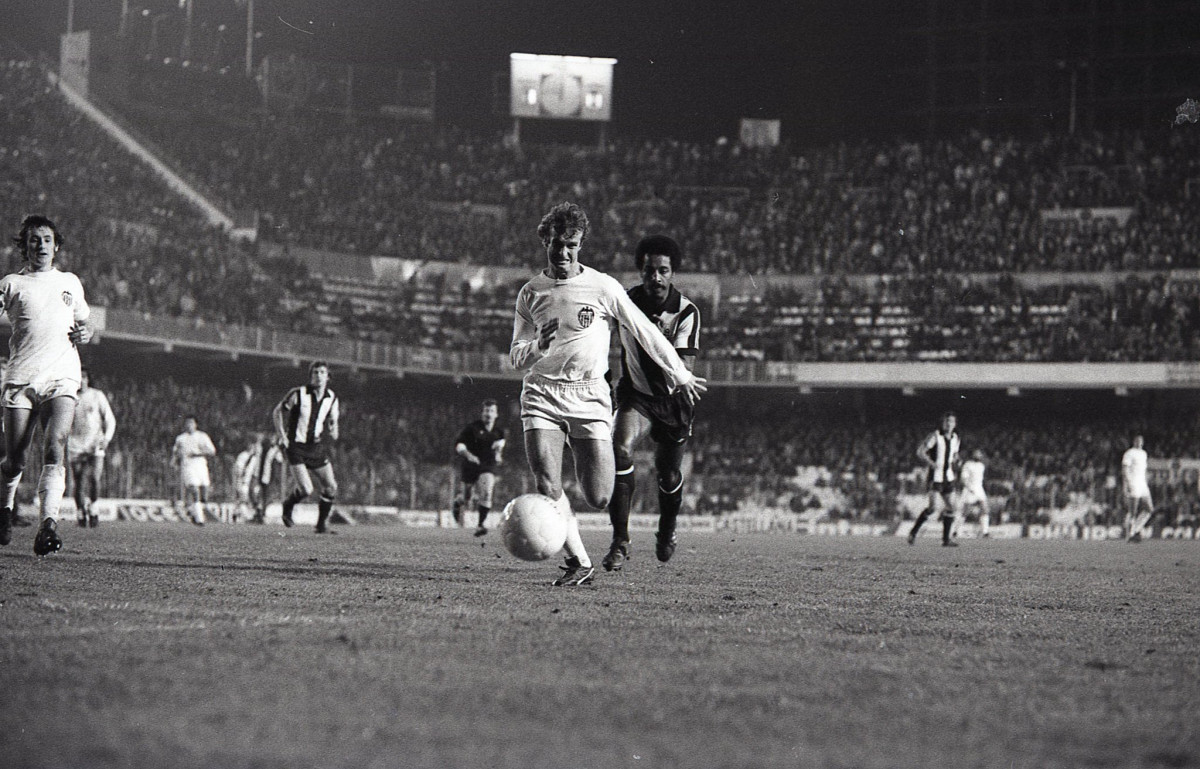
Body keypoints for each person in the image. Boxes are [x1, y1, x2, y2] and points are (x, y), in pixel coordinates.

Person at [510, 202, 706, 586]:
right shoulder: (530, 293)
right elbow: (516, 357)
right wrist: (537, 347)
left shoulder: (603, 286)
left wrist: (680, 372)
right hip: (543, 393)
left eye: (572, 245)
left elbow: (647, 333)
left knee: (599, 496)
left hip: (589, 396)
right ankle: (579, 561)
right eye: (557, 244)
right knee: (547, 482)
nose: (564, 252)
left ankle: (617, 530)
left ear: (581, 244)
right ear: (545, 242)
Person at [603, 234, 701, 571]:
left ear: (673, 273)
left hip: (673, 401)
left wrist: (653, 336)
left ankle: (667, 530)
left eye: (663, 271)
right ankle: (620, 540)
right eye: (649, 271)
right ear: (641, 271)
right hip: (637, 396)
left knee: (668, 474)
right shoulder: (624, 302)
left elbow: (683, 369)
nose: (656, 277)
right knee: (618, 448)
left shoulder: (686, 312)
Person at [0, 215, 92, 554]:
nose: (41, 245)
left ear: (56, 247)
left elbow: (84, 324)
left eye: (47, 239)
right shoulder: (11, 283)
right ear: (24, 246)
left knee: (56, 446)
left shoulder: (70, 282)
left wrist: (86, 333)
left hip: (62, 376)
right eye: (34, 239)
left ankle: (48, 526)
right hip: (21, 378)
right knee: (15, 460)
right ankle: (4, 508)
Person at [272, 360, 340, 534]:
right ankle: (288, 505)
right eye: (315, 373)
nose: (318, 376)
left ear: (328, 377)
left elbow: (333, 421)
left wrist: (334, 429)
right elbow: (278, 412)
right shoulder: (298, 394)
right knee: (306, 489)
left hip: (315, 447)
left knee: (331, 486)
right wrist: (282, 436)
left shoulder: (332, 398)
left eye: (322, 373)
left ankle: (321, 525)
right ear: (311, 376)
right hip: (295, 446)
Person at [67, 367, 117, 528]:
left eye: (84, 377)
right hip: (76, 445)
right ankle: (80, 512)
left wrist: (106, 438)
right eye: (78, 377)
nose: (81, 380)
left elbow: (110, 419)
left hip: (96, 444)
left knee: (95, 478)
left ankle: (93, 507)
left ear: (88, 379)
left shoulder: (97, 395)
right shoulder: (70, 397)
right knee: (79, 481)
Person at [452, 399, 506, 536]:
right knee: (467, 497)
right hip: (471, 464)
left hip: (487, 464)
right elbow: (459, 445)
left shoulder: (499, 432)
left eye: (492, 411)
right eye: (486, 411)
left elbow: (499, 446)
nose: (489, 414)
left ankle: (480, 525)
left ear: (496, 414)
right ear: (482, 413)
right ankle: (458, 502)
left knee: (487, 492)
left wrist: (498, 455)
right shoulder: (472, 428)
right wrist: (469, 455)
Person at [907, 411, 960, 547]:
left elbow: (954, 454)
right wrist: (931, 463)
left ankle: (946, 540)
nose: (948, 424)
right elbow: (920, 451)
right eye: (946, 421)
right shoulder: (935, 436)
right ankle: (913, 532)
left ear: (954, 424)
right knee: (933, 508)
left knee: (952, 507)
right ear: (943, 423)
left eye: (951, 422)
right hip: (935, 477)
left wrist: (956, 459)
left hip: (948, 477)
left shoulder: (955, 438)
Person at [171, 416, 217, 526]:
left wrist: (199, 452)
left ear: (195, 425)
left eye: (191, 423)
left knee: (204, 492)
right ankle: (199, 519)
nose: (189, 425)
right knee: (194, 489)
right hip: (188, 465)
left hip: (200, 464)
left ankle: (191, 510)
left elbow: (212, 451)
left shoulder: (202, 436)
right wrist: (173, 462)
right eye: (187, 423)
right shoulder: (181, 438)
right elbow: (175, 452)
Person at [234, 432, 283, 524]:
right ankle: (258, 512)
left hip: (268, 475)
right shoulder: (260, 449)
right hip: (258, 474)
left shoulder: (275, 450)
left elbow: (279, 462)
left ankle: (261, 514)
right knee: (253, 493)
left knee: (265, 495)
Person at [1121, 434, 1153, 542]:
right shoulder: (1129, 453)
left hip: (1142, 483)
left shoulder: (1144, 453)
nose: (1139, 442)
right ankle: (1129, 534)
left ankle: (1135, 530)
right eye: (1137, 440)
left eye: (1141, 440)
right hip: (1133, 482)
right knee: (1133, 511)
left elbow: (1143, 469)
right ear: (1134, 442)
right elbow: (1125, 469)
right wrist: (1127, 484)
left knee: (1149, 509)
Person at [954, 449, 990, 538]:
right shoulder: (968, 465)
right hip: (970, 489)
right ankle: (956, 531)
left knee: (985, 509)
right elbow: (963, 478)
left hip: (979, 489)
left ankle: (985, 532)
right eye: (976, 453)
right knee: (965, 511)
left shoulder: (981, 466)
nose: (978, 455)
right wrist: (969, 488)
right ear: (972, 455)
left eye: (979, 454)